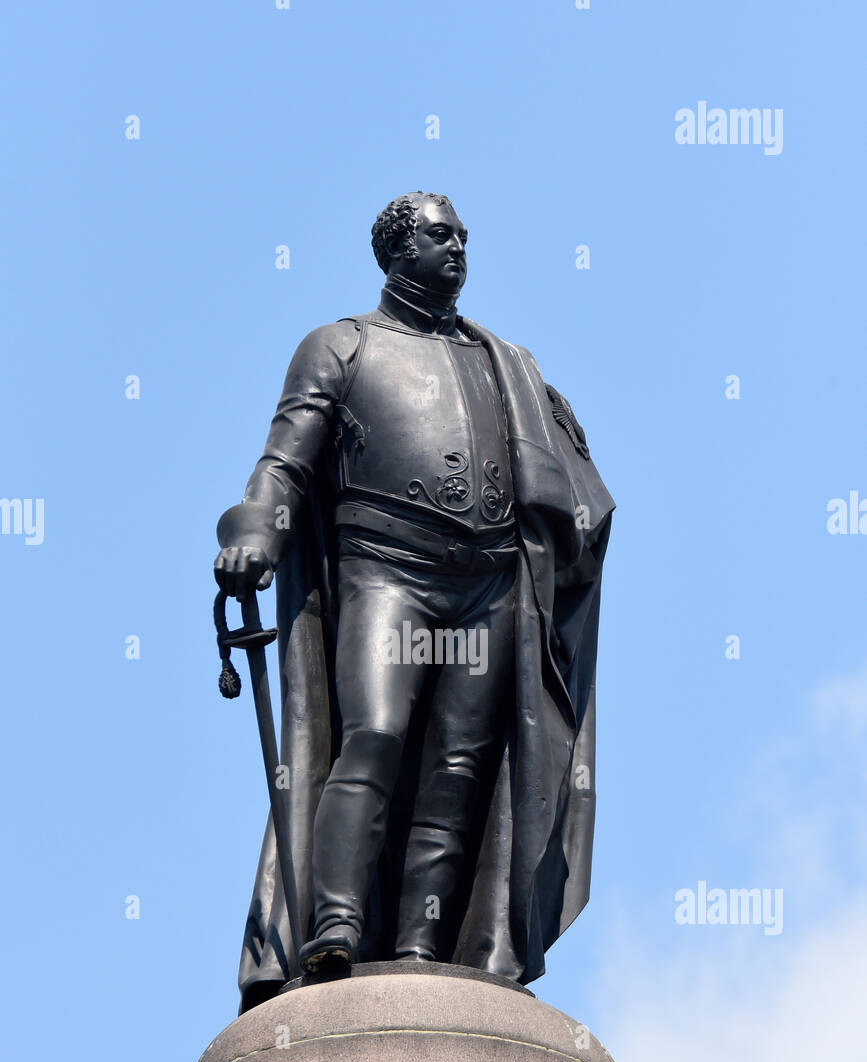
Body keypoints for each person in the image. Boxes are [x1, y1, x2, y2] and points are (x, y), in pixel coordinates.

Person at [214, 191, 614, 1012]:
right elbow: (286, 459)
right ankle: (334, 927)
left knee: (458, 770)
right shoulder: (340, 346)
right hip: (385, 570)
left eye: (464, 235)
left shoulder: (504, 361)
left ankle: (423, 950)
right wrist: (256, 529)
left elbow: (565, 475)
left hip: (486, 583)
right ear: (397, 251)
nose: (458, 247)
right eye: (441, 235)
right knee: (374, 736)